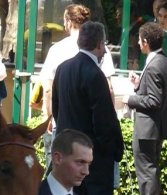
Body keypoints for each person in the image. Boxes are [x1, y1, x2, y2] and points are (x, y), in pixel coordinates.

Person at [52, 21, 124, 195]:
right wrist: (111, 148)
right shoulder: (95, 75)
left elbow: (56, 108)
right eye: (104, 47)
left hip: (66, 146)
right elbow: (103, 118)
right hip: (92, 152)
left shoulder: (63, 69)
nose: (105, 52)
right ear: (100, 44)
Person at [123, 22, 167, 195]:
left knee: (146, 170)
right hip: (156, 126)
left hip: (148, 128)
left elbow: (154, 100)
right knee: (150, 168)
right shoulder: (164, 62)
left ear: (145, 42)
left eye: (139, 40)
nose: (137, 43)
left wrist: (130, 99)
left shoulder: (154, 65)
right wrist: (139, 86)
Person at [39, 4, 115, 139]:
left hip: (63, 123)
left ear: (68, 22)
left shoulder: (57, 49)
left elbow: (48, 89)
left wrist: (49, 116)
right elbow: (109, 89)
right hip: (90, 126)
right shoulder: (101, 49)